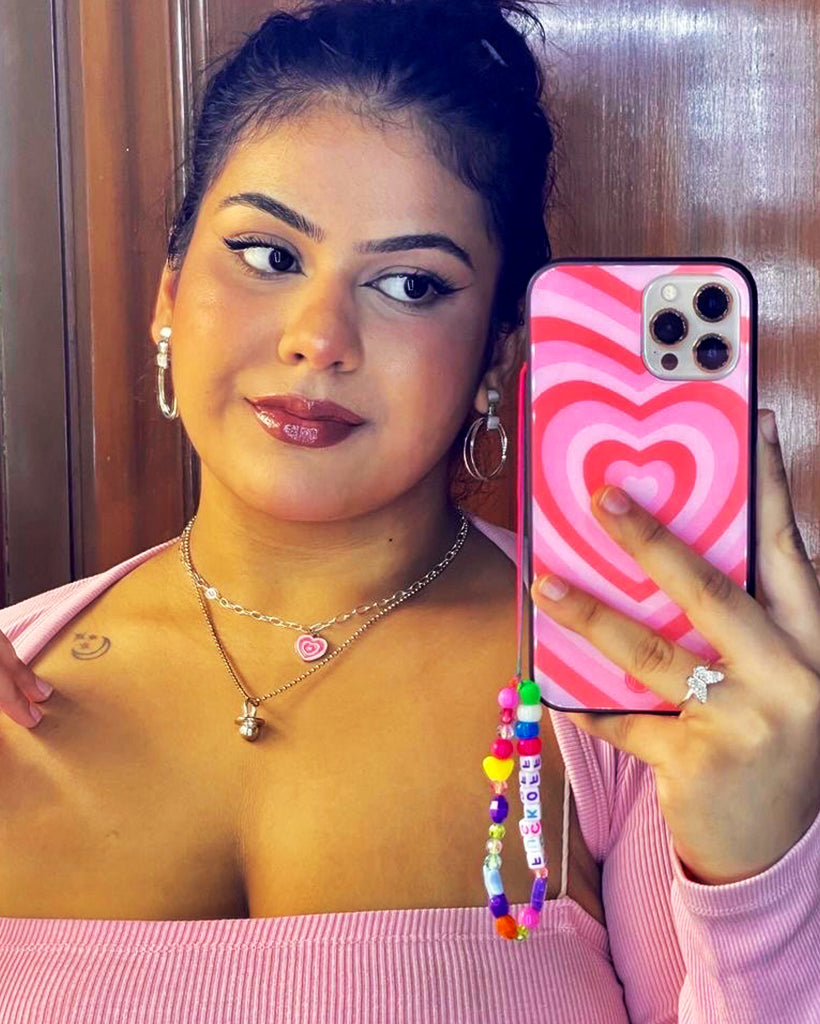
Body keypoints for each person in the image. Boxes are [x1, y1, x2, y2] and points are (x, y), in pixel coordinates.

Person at [0, 1, 819, 1021]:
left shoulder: (635, 692)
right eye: (268, 254)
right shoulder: (18, 667)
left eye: (411, 283)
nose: (319, 338)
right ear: (170, 295)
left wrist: (762, 877)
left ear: (495, 355)